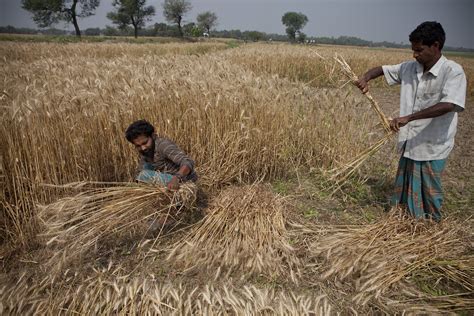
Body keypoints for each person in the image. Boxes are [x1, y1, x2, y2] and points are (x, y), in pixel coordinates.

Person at [355, 21, 466, 221]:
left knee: (429, 190)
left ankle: (430, 226)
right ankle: (406, 221)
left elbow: (449, 104)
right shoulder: (410, 68)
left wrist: (409, 117)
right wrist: (366, 78)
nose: (415, 55)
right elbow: (382, 69)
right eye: (413, 50)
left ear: (436, 45)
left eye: (419, 50)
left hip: (433, 143)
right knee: (406, 185)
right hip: (410, 141)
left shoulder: (453, 72)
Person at [125, 119, 197, 190]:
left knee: (143, 175)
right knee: (140, 174)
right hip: (166, 179)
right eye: (138, 146)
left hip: (183, 180)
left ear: (152, 136)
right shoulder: (146, 151)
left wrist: (176, 178)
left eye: (145, 143)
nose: (143, 148)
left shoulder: (163, 145)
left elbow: (188, 162)